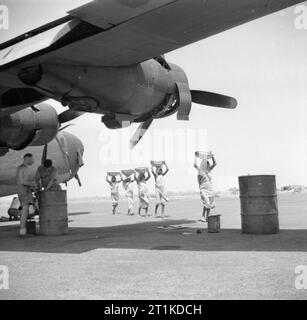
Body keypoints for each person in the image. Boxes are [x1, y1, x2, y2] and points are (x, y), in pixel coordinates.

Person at [16, 153, 37, 236]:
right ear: (27, 158)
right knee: (25, 211)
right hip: (23, 191)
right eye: (32, 159)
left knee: (26, 210)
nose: (33, 161)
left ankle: (23, 229)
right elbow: (22, 182)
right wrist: (33, 185)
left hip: (25, 191)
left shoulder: (23, 168)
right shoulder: (22, 168)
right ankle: (22, 230)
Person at [194, 152, 217, 222]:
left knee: (209, 204)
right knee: (206, 202)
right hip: (203, 189)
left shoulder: (209, 170)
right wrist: (196, 157)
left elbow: (215, 164)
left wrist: (212, 156)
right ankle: (203, 216)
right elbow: (195, 165)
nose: (206, 165)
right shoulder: (200, 171)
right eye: (205, 164)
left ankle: (206, 217)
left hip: (210, 188)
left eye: (207, 164)